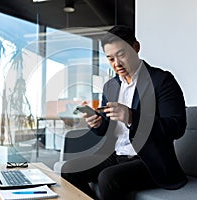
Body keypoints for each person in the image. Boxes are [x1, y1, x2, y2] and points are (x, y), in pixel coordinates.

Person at [61, 25, 187, 200]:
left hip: (151, 161)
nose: (117, 64)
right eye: (110, 58)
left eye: (121, 55)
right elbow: (106, 128)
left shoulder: (162, 80)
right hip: (117, 155)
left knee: (107, 178)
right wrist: (97, 123)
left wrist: (132, 116)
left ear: (136, 47)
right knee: (69, 170)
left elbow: (176, 127)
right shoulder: (111, 86)